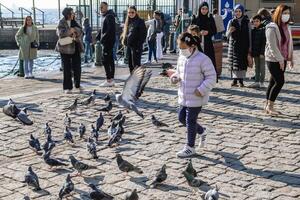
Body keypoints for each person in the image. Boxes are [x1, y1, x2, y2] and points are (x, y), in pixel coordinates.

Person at [170, 32, 216, 158]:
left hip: (196, 96)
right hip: (184, 95)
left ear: (192, 46)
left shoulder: (203, 59)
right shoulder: (181, 57)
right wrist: (174, 78)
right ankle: (202, 131)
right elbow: (178, 72)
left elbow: (212, 77)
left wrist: (201, 89)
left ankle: (190, 147)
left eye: (183, 48)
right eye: (180, 47)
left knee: (190, 120)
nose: (181, 50)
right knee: (181, 118)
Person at [264, 4, 294, 115]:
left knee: (273, 81)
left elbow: (288, 43)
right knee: (280, 81)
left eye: (288, 13)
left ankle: (267, 105)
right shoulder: (272, 27)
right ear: (278, 13)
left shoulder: (286, 27)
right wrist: (280, 59)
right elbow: (272, 46)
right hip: (273, 59)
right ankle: (270, 106)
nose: (286, 15)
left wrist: (290, 57)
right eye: (284, 13)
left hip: (284, 58)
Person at [55, 7, 84, 94]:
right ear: (67, 14)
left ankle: (77, 85)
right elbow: (59, 33)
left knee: (77, 67)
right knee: (66, 68)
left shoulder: (75, 21)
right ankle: (67, 87)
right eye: (72, 13)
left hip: (75, 46)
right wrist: (69, 31)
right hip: (65, 47)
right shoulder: (61, 22)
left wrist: (75, 31)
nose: (73, 14)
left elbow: (81, 30)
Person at [226, 4, 252, 87]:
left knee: (242, 63)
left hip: (244, 45)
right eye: (236, 11)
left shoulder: (247, 21)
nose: (238, 13)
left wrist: (250, 47)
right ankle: (234, 80)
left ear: (242, 12)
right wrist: (230, 31)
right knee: (234, 64)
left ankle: (241, 80)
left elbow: (249, 34)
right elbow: (226, 35)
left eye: (239, 11)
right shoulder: (231, 21)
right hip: (234, 46)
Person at [192, 2, 217, 75]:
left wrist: (208, 32)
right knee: (197, 61)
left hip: (208, 43)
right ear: (200, 9)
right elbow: (191, 30)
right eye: (203, 9)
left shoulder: (210, 18)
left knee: (208, 60)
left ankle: (209, 78)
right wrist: (198, 33)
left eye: (206, 9)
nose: (204, 11)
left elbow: (214, 30)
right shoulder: (195, 19)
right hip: (197, 44)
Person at [121, 6, 147, 73]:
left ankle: (137, 81)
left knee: (136, 65)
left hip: (136, 47)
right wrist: (125, 41)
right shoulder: (128, 21)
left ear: (136, 12)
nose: (130, 14)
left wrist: (138, 45)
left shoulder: (140, 21)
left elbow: (143, 35)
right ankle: (133, 79)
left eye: (132, 12)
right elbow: (127, 34)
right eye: (129, 12)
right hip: (129, 46)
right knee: (130, 65)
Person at [97, 2, 116, 87]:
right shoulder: (105, 15)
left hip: (108, 42)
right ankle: (111, 79)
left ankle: (109, 79)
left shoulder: (109, 16)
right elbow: (103, 28)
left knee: (105, 60)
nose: (100, 8)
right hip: (108, 41)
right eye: (100, 7)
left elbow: (110, 30)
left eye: (102, 7)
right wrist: (98, 36)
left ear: (107, 7)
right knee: (110, 60)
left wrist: (102, 39)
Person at [248, 15, 266, 88]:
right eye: (254, 21)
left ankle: (262, 82)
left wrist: (262, 53)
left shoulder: (263, 30)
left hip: (261, 53)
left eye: (257, 21)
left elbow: (264, 42)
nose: (255, 23)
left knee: (262, 68)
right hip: (255, 52)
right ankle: (256, 81)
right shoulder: (253, 30)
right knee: (257, 67)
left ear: (260, 21)